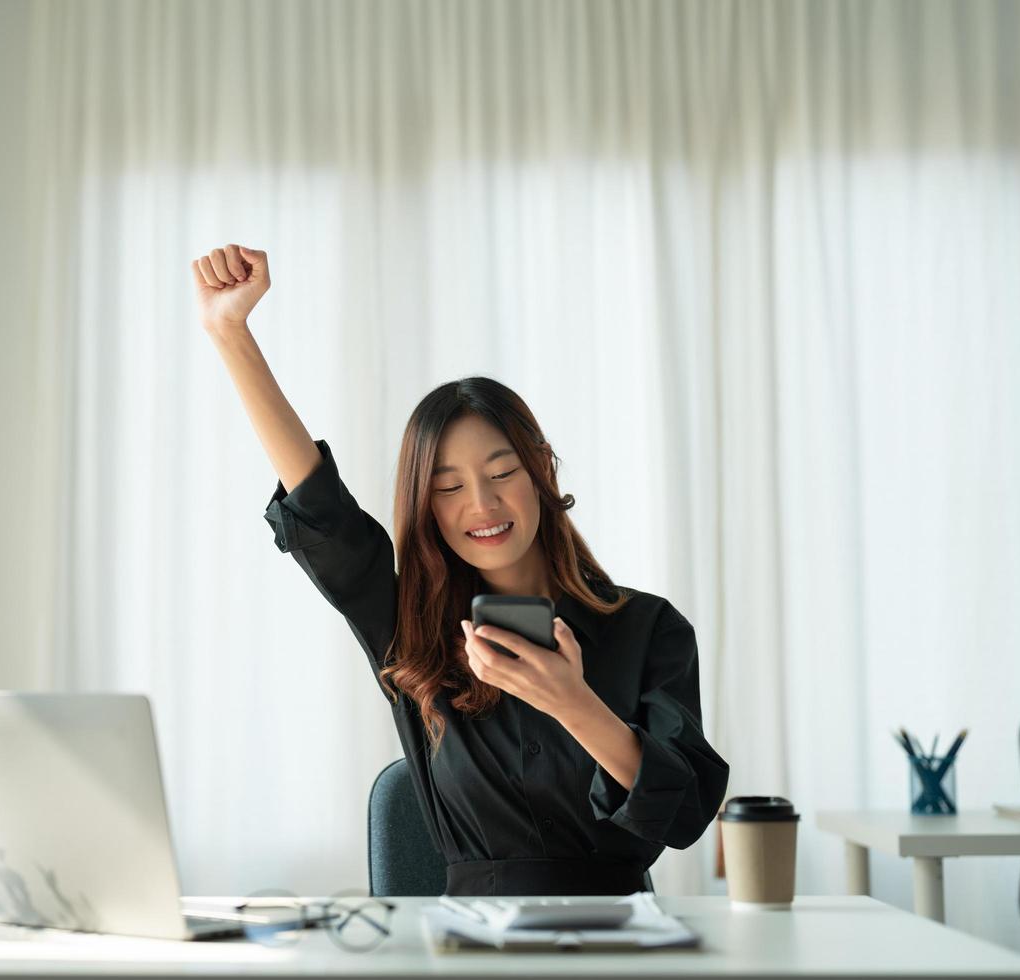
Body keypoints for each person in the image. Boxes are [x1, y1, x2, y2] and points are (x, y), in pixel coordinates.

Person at [191, 243, 729, 897]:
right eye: (449, 488)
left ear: (541, 473)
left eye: (502, 473)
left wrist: (573, 702)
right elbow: (320, 509)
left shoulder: (647, 626)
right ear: (427, 510)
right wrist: (229, 331)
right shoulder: (407, 627)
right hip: (468, 942)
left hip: (620, 935)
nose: (482, 504)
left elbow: (684, 815)